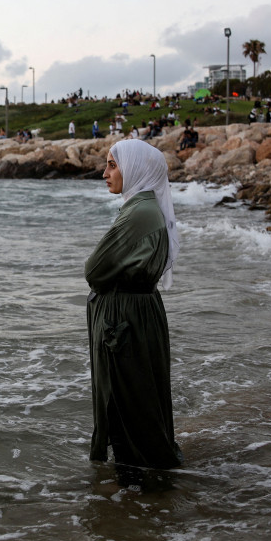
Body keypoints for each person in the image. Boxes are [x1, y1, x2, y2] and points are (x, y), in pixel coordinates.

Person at [85, 139, 183, 472]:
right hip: (137, 316)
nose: (104, 173)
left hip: (126, 320)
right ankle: (144, 490)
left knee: (127, 402)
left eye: (113, 165)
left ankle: (137, 493)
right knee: (140, 398)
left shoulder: (139, 211)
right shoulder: (144, 206)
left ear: (136, 169)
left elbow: (94, 269)